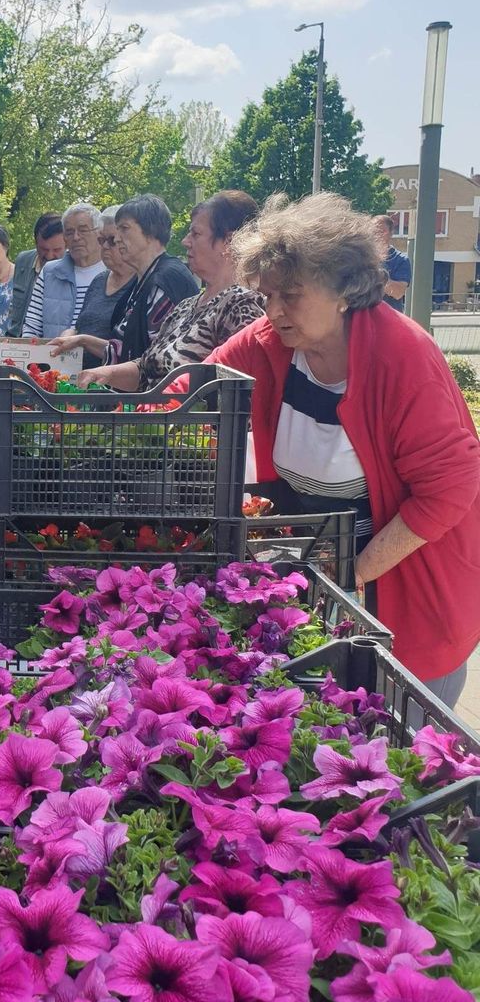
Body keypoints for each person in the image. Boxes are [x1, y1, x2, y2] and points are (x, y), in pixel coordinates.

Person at [206, 192, 480, 706]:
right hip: (315, 570)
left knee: (404, 746)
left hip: (412, 584)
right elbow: (198, 392)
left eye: (290, 295)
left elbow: (451, 487)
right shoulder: (268, 339)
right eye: (267, 295)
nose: (274, 310)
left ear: (343, 291)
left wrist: (352, 571)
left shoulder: (402, 355)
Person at [57, 191, 264, 390]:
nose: (185, 241)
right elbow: (146, 368)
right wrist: (106, 374)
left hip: (185, 427)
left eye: (195, 233)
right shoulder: (187, 306)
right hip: (151, 422)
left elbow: (236, 397)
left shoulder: (242, 305)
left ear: (229, 241)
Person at [64, 194, 199, 366]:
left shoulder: (166, 279)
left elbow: (153, 361)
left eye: (125, 229)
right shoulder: (144, 278)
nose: (118, 238)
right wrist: (80, 340)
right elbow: (125, 350)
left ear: (150, 231)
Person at [22, 203, 111, 365]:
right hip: (54, 368)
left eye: (83, 230)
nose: (76, 237)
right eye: (69, 232)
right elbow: (32, 326)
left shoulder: (114, 273)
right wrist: (33, 363)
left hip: (100, 370)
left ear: (100, 232)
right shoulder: (50, 272)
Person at [8, 212, 65, 335]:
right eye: (44, 249)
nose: (50, 256)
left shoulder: (73, 268)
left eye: (56, 250)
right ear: (35, 243)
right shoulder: (22, 261)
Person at [374, 215, 411, 312]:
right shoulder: (361, 257)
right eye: (373, 231)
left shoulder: (401, 260)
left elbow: (398, 293)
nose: (376, 234)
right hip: (363, 318)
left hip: (389, 318)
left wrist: (375, 274)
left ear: (391, 233)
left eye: (381, 231)